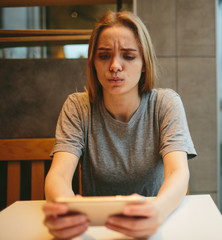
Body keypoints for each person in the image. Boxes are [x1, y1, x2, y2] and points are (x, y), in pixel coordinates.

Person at [42, 10, 196, 239]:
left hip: (154, 224)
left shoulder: (165, 103)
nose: (115, 66)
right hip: (94, 230)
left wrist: (157, 212)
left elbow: (178, 172)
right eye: (104, 56)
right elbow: (59, 176)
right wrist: (67, 209)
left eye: (129, 56)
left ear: (144, 63)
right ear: (93, 62)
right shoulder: (77, 107)